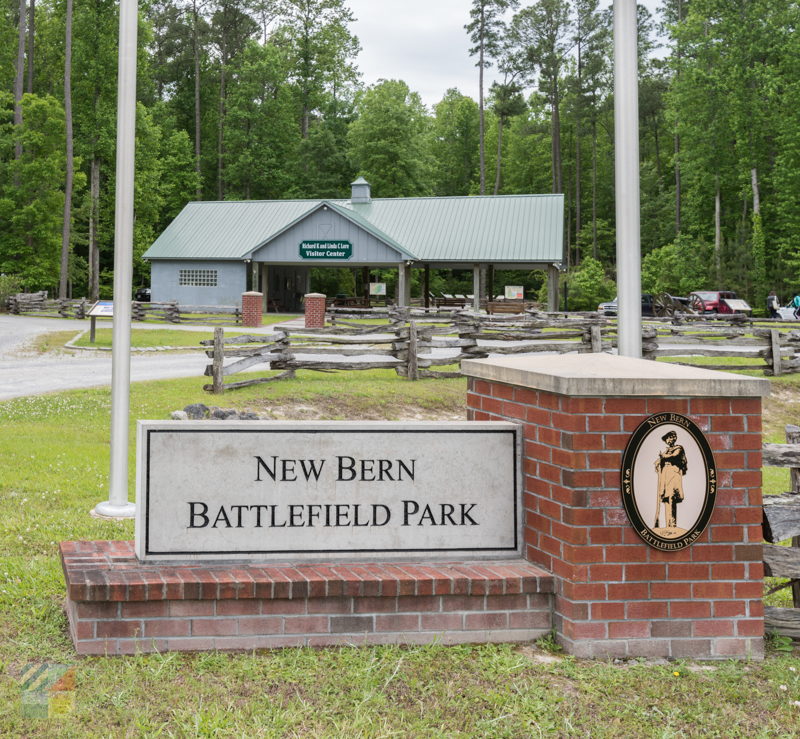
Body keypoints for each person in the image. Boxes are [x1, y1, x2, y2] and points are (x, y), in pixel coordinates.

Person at [654, 430, 687, 530]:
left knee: (672, 496)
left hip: (674, 473)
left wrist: (663, 457)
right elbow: (659, 460)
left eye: (670, 437)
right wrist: (658, 463)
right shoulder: (666, 451)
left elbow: (674, 456)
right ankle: (668, 525)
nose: (668, 440)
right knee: (666, 498)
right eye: (667, 439)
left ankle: (672, 525)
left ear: (674, 438)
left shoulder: (679, 448)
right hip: (665, 475)